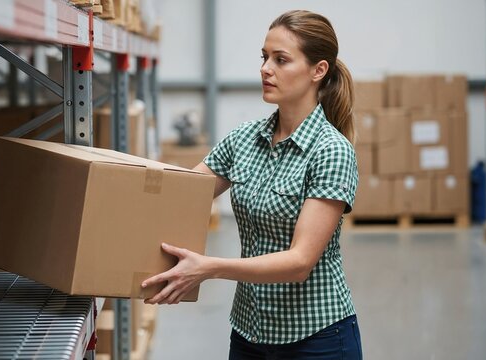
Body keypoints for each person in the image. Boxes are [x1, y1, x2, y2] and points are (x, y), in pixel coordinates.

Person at [142, 10, 362, 359]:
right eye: (264, 57)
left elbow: (299, 262)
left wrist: (209, 267)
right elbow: (179, 195)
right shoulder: (244, 139)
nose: (265, 68)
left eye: (281, 59)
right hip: (250, 333)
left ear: (318, 71)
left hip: (316, 339)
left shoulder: (332, 151)